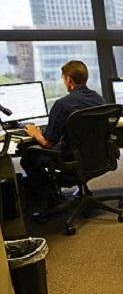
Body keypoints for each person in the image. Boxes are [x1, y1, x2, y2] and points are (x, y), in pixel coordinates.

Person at [21, 60, 106, 206]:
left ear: (69, 79)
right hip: (98, 156)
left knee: (28, 158)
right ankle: (81, 189)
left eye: (63, 78)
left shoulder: (62, 105)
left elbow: (48, 143)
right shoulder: (99, 99)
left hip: (70, 158)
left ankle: (52, 198)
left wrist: (35, 133)